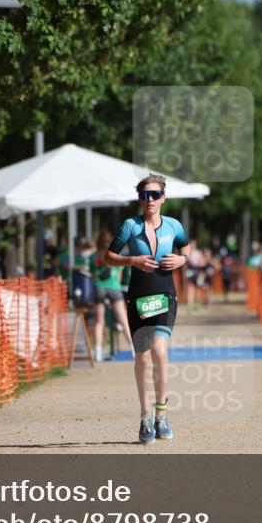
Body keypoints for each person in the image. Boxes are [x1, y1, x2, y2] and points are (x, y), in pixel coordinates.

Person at [105, 174, 191, 444]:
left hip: (166, 296)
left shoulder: (174, 226)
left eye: (155, 195)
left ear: (163, 198)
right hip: (138, 298)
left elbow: (187, 249)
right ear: (139, 199)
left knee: (160, 350)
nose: (150, 200)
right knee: (142, 359)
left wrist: (181, 260)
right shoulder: (130, 226)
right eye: (145, 195)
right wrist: (132, 260)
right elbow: (108, 257)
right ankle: (145, 416)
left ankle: (162, 414)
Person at [91, 229, 132, 362]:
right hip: (114, 288)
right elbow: (120, 276)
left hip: (99, 288)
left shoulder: (94, 256)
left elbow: (92, 276)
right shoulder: (115, 254)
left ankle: (97, 351)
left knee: (99, 321)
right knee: (123, 319)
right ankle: (133, 349)